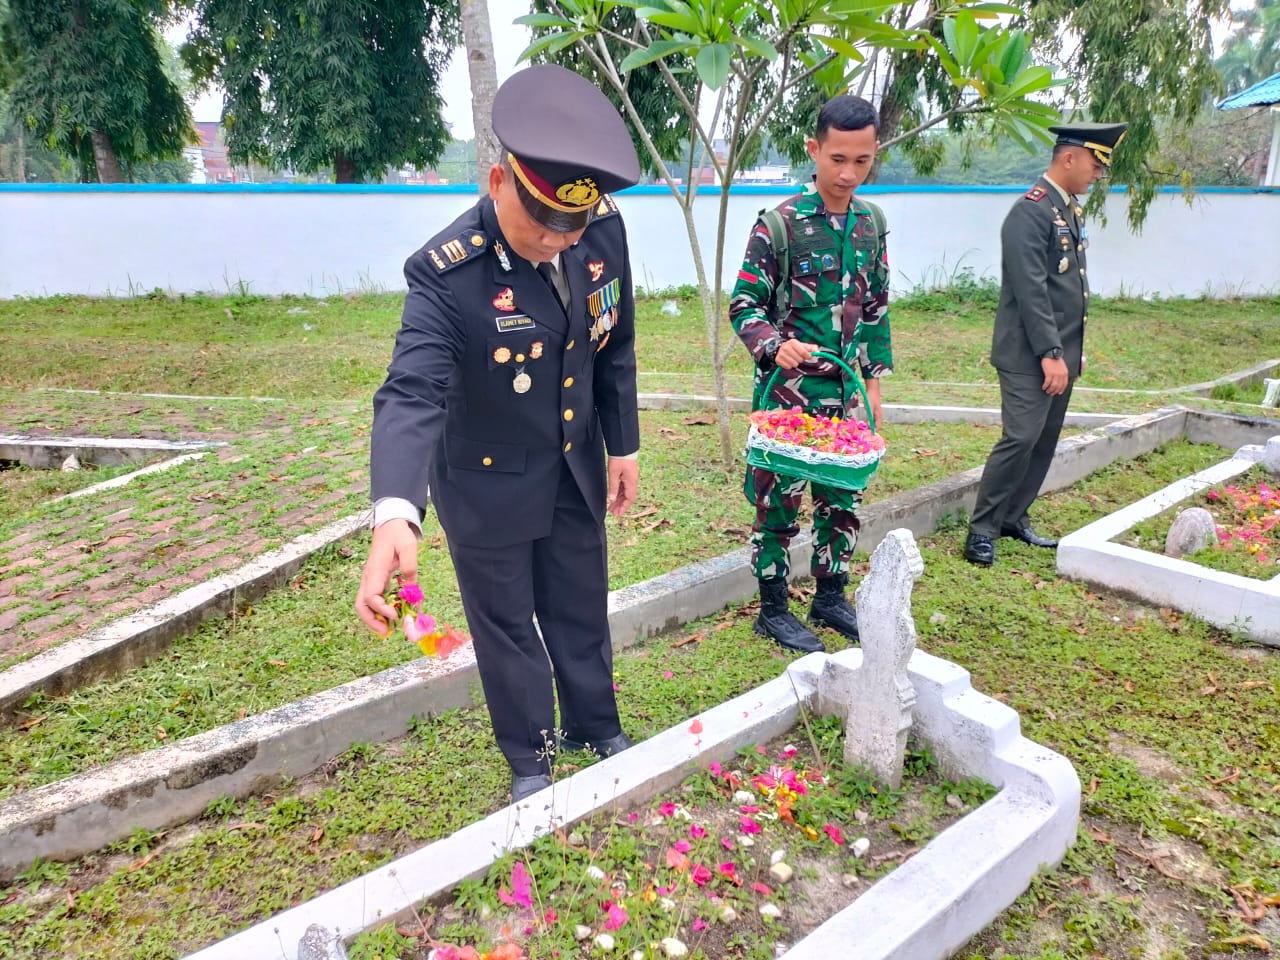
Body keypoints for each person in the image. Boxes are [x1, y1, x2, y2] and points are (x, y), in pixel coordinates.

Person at [354, 64, 643, 803]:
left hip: (573, 465)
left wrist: (623, 444)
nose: (554, 240)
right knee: (508, 625)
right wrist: (395, 511)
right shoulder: (448, 272)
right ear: (497, 182)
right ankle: (532, 757)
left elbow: (612, 342)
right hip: (485, 481)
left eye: (570, 226)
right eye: (540, 222)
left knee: (580, 604)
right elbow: (410, 391)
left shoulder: (601, 232)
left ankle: (595, 726)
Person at [728, 94, 892, 654]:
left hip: (846, 395)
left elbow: (876, 310)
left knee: (841, 500)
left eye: (862, 160)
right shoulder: (780, 225)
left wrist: (873, 385)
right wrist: (775, 345)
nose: (848, 173)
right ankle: (773, 608)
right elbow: (744, 305)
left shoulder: (871, 224)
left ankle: (830, 595)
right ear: (814, 149)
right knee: (778, 502)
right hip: (789, 397)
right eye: (837, 159)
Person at [963, 121, 1128, 567]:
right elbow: (1031, 291)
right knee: (1020, 437)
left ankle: (1012, 517)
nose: (1098, 174)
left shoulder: (1067, 210)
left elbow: (1069, 289)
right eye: (1095, 164)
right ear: (1068, 158)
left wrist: (1072, 350)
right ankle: (982, 529)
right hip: (1028, 353)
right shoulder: (1031, 212)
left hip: (1059, 352)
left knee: (1043, 440)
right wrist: (1051, 354)